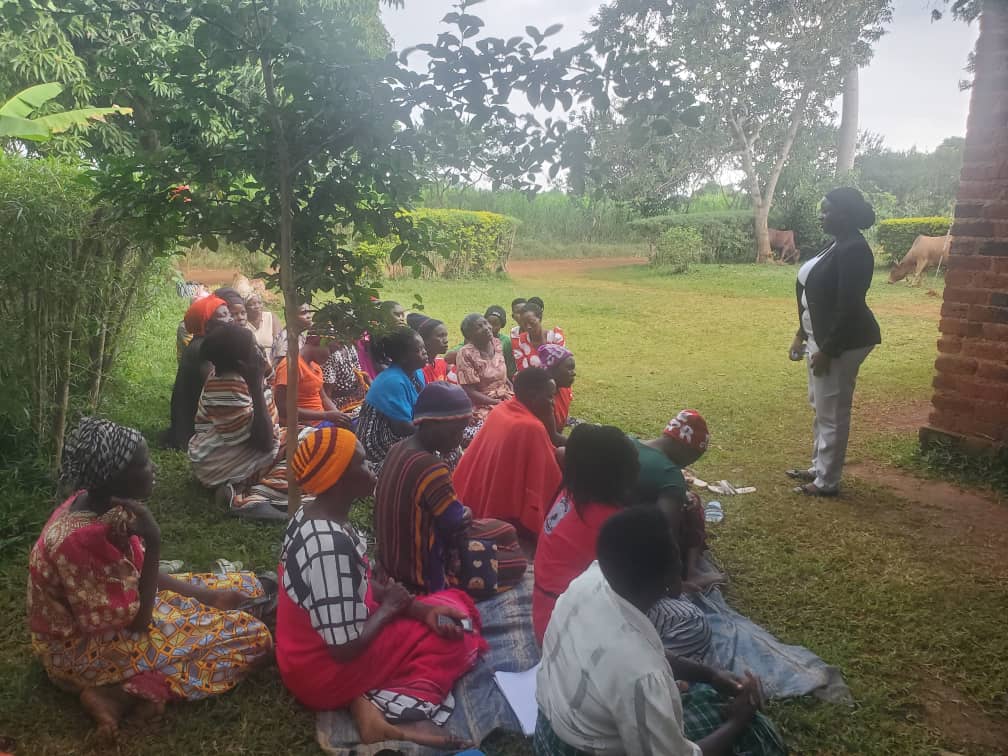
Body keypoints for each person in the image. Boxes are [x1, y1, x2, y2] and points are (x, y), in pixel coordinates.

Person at [28, 418, 273, 738]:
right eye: (143, 463)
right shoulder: (82, 539)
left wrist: (208, 597)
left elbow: (137, 573)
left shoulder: (97, 502)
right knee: (254, 637)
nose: (153, 467)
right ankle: (120, 692)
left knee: (244, 585)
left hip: (113, 616)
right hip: (78, 652)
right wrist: (154, 541)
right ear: (115, 477)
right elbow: (139, 622)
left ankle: (134, 680)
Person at [276, 427, 485, 749]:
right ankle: (386, 709)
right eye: (361, 463)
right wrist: (390, 609)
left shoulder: (312, 515)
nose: (371, 468)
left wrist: (414, 607)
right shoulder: (329, 546)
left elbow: (351, 584)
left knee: (452, 604)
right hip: (322, 673)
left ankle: (363, 706)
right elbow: (343, 650)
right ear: (338, 479)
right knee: (458, 641)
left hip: (302, 653)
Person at [535, 507, 786, 756]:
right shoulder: (641, 673)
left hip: (549, 732)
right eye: (676, 553)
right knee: (758, 735)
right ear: (670, 575)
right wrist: (737, 721)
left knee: (701, 693)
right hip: (580, 749)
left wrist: (710, 674)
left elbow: (648, 654)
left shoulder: (588, 582)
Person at [375, 383, 527, 599]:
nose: (459, 438)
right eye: (456, 430)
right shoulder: (431, 468)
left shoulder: (397, 449)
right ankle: (452, 585)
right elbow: (455, 525)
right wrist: (465, 513)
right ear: (430, 423)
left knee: (506, 530)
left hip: (394, 557)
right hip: (422, 574)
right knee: (516, 561)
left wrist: (460, 513)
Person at [789, 187, 881, 497]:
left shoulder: (854, 249)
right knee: (821, 406)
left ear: (844, 214)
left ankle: (827, 481)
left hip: (842, 342)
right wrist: (801, 334)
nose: (821, 215)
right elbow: (811, 293)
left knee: (832, 411)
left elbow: (849, 304)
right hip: (820, 337)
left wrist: (828, 349)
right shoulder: (836, 244)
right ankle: (819, 467)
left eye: (827, 210)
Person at [189, 325, 299, 520]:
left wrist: (260, 375)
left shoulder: (239, 375)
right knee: (300, 465)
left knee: (305, 439)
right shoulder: (227, 389)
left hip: (239, 449)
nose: (260, 351)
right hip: (221, 461)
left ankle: (245, 484)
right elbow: (264, 443)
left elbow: (268, 383)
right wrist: (256, 386)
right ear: (241, 364)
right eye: (254, 347)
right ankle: (239, 494)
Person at [453, 367, 562, 539]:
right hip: (495, 519)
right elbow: (550, 478)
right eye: (549, 396)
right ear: (533, 396)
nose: (553, 403)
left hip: (470, 501)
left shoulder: (503, 408)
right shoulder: (530, 427)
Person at [633, 410, 714, 589]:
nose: (689, 464)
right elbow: (665, 535)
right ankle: (691, 572)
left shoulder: (630, 442)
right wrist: (675, 582)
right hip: (636, 544)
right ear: (686, 450)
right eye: (694, 457)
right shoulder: (670, 475)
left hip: (609, 525)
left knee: (687, 497)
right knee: (693, 504)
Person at [165, 295, 233, 450]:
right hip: (193, 433)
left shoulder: (201, 343)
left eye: (228, 313)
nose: (230, 319)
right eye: (223, 315)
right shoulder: (203, 349)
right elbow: (214, 388)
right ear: (207, 324)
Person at [357, 328, 428, 470]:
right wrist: (432, 432)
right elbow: (402, 428)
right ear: (403, 357)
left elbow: (425, 403)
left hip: (404, 432)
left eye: (423, 347)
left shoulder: (417, 373)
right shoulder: (393, 380)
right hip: (379, 442)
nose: (425, 352)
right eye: (418, 350)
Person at [454, 313, 514, 444]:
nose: (487, 327)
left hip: (506, 397)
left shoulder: (497, 344)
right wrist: (496, 403)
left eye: (486, 323)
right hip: (482, 404)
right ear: (469, 336)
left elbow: (503, 375)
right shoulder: (465, 353)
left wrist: (513, 393)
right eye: (479, 327)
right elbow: (468, 391)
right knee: (491, 434)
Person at [273, 334, 353, 429]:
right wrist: (325, 415)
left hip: (323, 421)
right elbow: (283, 408)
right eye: (330, 351)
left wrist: (340, 417)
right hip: (305, 426)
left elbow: (323, 398)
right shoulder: (290, 366)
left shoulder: (315, 367)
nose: (330, 357)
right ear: (317, 341)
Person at [322, 335, 370, 422]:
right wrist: (338, 416)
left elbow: (359, 375)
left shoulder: (349, 347)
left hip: (357, 398)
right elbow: (327, 395)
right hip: (340, 405)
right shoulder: (331, 354)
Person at [538, 344, 576, 443]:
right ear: (551, 371)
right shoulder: (544, 398)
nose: (574, 373)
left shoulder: (564, 390)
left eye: (573, 368)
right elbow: (552, 437)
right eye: (569, 368)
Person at [512, 301, 565, 373]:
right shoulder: (520, 342)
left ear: (540, 318)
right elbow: (523, 371)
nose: (528, 327)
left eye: (532, 322)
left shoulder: (555, 337)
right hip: (531, 381)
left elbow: (562, 366)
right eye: (524, 324)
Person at [409, 316, 451, 384]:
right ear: (424, 340)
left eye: (446, 335)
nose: (446, 341)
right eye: (440, 336)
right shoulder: (417, 371)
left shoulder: (442, 363)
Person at [273, 302, 313, 366]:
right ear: (290, 316)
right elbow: (283, 368)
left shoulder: (299, 334)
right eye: (303, 313)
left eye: (309, 312)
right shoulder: (286, 340)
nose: (309, 316)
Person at [245, 292, 280, 363]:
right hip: (253, 365)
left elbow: (279, 342)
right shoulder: (243, 323)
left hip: (273, 362)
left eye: (259, 303)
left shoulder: (270, 317)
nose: (257, 306)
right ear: (246, 307)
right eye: (252, 304)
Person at [484, 305, 517, 378]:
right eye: (488, 323)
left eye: (495, 324)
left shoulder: (506, 342)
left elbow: (510, 369)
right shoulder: (476, 338)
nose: (491, 328)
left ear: (502, 325)